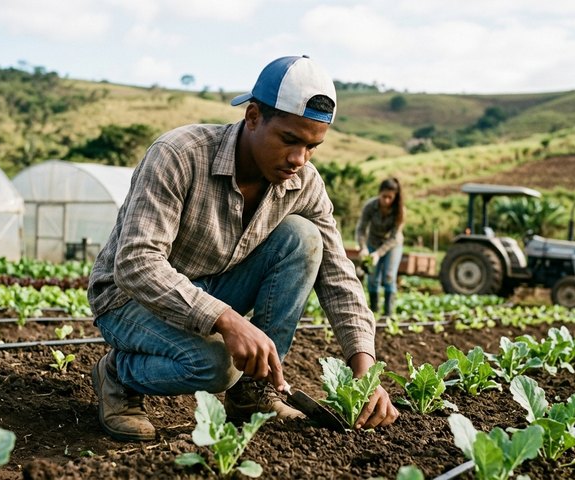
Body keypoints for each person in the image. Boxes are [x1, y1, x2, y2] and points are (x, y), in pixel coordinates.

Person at [87, 55, 398, 442]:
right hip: (128, 298)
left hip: (210, 289)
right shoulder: (179, 154)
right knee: (218, 366)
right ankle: (118, 375)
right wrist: (228, 321)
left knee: (303, 238)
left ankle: (253, 392)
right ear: (253, 117)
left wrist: (365, 370)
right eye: (289, 140)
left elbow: (338, 276)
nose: (299, 159)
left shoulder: (304, 183)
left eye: (312, 146)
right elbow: (137, 263)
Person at [355, 178, 405, 317]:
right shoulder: (370, 206)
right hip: (373, 242)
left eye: (390, 197)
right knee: (372, 278)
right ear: (379, 193)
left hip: (392, 245)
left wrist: (378, 254)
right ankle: (374, 312)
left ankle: (388, 314)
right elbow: (361, 229)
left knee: (389, 276)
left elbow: (394, 237)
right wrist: (363, 248)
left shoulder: (399, 211)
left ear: (395, 197)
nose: (386, 200)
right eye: (384, 196)